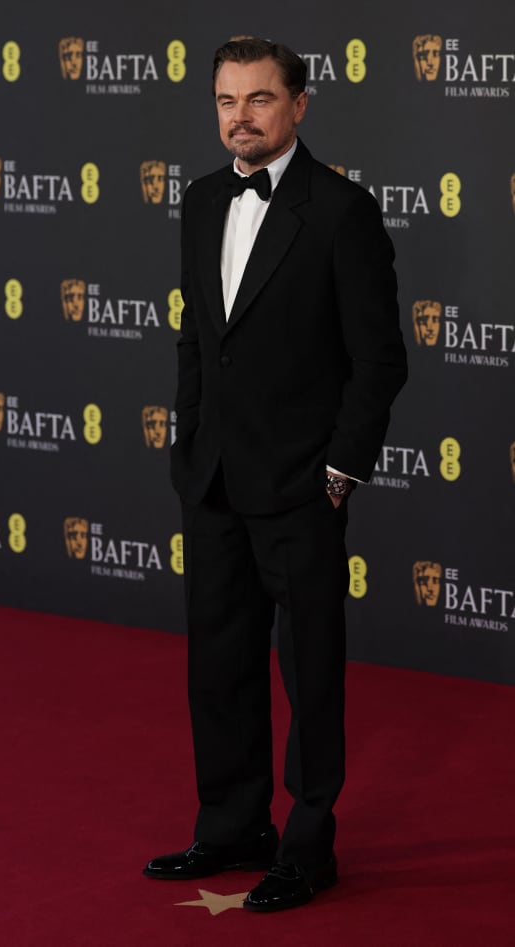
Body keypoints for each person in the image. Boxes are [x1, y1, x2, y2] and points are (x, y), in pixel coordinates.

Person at [143, 37, 407, 913]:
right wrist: (189, 446)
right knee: (218, 664)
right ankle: (229, 825)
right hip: (213, 478)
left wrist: (338, 472)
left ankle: (306, 845)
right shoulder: (199, 199)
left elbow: (378, 361)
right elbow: (196, 337)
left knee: (310, 672)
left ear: (298, 105)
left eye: (258, 99)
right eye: (225, 100)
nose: (239, 117)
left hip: (300, 485)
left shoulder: (340, 211)